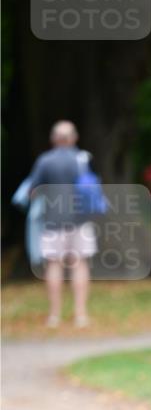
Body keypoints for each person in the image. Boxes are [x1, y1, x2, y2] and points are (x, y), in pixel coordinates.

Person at [29, 120, 98, 328]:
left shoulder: (45, 161)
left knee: (54, 264)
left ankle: (54, 316)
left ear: (53, 139)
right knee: (80, 264)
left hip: (53, 220)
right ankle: (80, 315)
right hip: (81, 220)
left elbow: (33, 192)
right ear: (74, 138)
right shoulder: (83, 158)